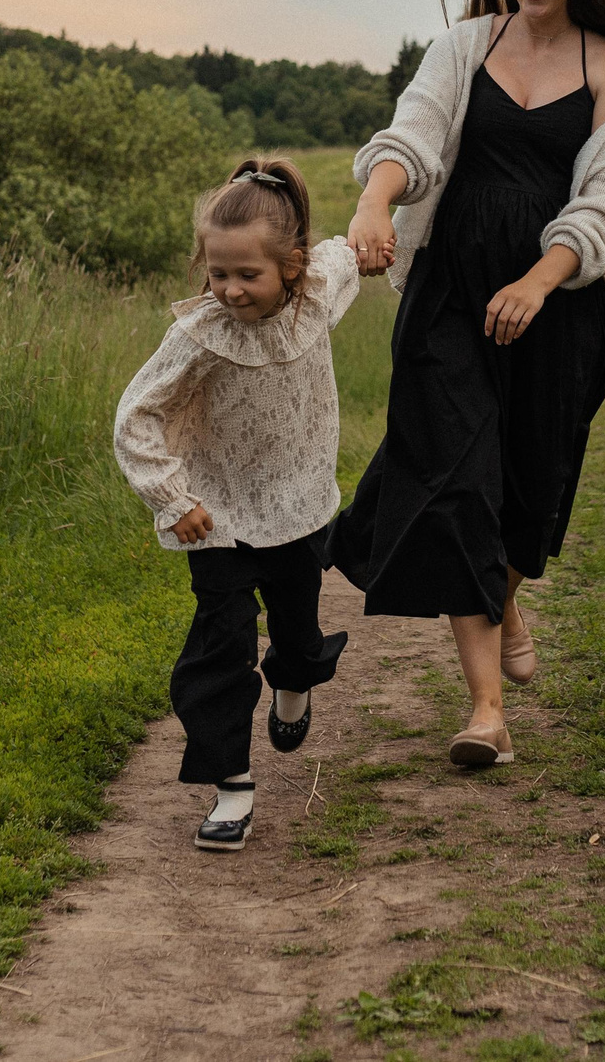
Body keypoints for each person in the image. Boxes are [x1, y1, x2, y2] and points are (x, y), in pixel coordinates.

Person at [334, 0, 605, 766]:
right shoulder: (466, 46)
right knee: (456, 481)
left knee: (528, 492)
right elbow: (415, 135)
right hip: (452, 294)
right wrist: (375, 201)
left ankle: (504, 599)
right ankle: (486, 714)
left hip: (558, 305)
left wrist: (540, 282)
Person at [113, 159, 358, 851]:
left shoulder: (317, 296)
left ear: (291, 265)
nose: (230, 289)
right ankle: (231, 786)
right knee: (220, 646)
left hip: (299, 508)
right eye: (218, 272)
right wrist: (172, 498)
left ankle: (294, 681)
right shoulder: (199, 334)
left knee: (298, 634)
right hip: (217, 517)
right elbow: (136, 417)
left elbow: (351, 249)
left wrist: (378, 232)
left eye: (248, 274)